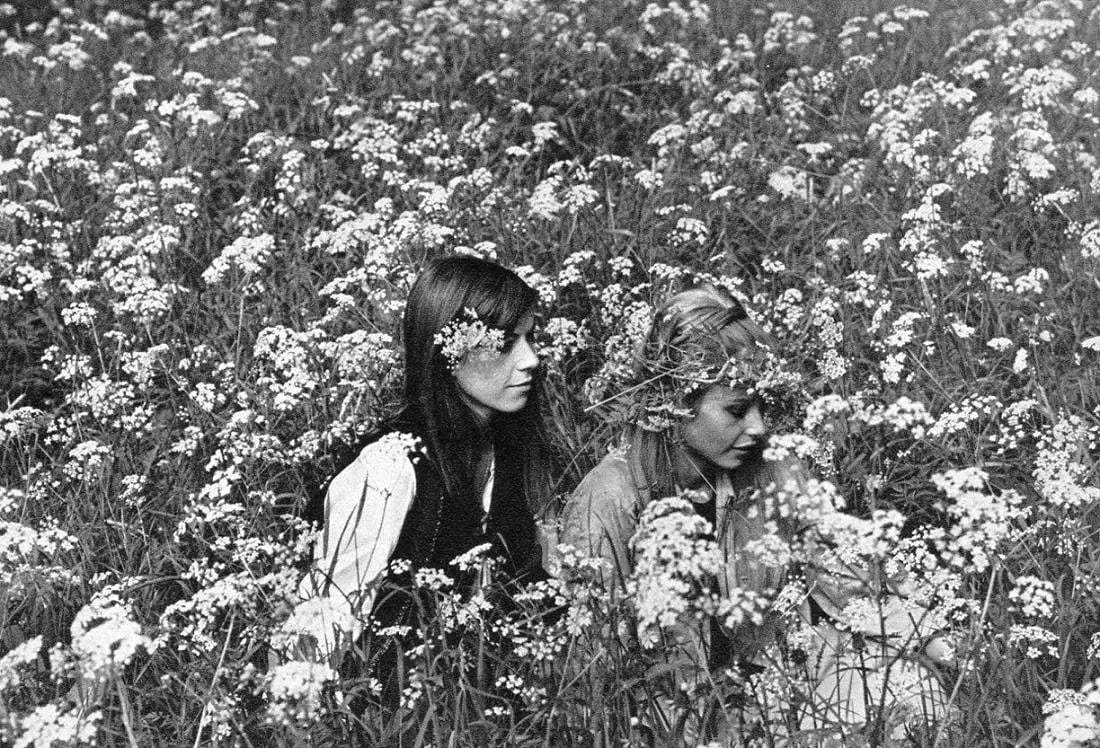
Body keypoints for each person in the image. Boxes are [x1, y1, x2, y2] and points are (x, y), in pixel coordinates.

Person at [559, 284, 950, 742]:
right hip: (671, 719)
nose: (759, 426)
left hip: (781, 689)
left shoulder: (772, 468)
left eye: (762, 405)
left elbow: (850, 576)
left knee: (913, 692)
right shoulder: (608, 499)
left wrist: (941, 645)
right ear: (676, 402)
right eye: (737, 409)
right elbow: (595, 664)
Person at [295, 255, 552, 696]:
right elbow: (325, 627)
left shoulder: (503, 446)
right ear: (447, 351)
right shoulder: (391, 467)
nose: (531, 359)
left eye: (531, 337)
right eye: (506, 343)